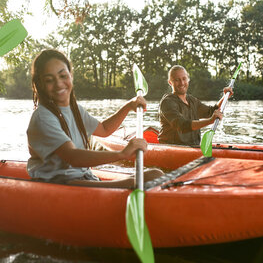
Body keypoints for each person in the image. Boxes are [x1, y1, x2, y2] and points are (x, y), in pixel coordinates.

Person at [26, 49, 163, 188]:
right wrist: (122, 154)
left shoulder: (75, 109)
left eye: (63, 76)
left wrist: (128, 106)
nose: (59, 84)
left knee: (155, 175)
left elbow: (104, 130)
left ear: (71, 75)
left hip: (82, 177)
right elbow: (73, 157)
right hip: (61, 184)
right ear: (40, 85)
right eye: (49, 80)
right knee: (154, 177)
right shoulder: (43, 118)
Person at [157, 65, 233, 146]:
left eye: (184, 79)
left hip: (193, 146)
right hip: (173, 147)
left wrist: (225, 97)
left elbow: (211, 112)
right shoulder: (167, 102)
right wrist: (210, 121)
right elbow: (183, 125)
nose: (182, 83)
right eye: (177, 80)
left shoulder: (192, 100)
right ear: (170, 82)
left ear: (188, 79)